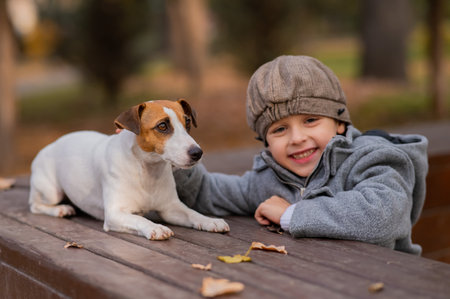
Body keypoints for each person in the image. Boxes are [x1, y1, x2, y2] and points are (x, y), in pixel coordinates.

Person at [174, 55, 428, 255]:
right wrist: (175, 161)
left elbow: (383, 216)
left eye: (310, 120)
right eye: (280, 129)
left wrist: (291, 214)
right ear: (265, 142)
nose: (296, 138)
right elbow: (207, 193)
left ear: (339, 123)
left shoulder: (371, 159)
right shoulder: (267, 180)